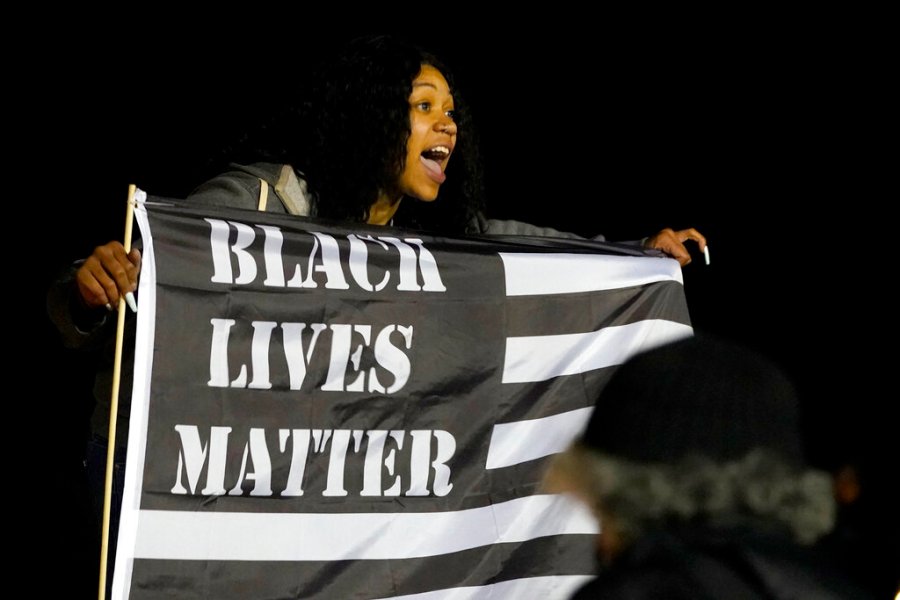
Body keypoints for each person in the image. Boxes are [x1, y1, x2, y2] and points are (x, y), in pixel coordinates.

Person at [47, 34, 707, 592]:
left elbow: (512, 249)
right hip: (177, 499)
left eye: (451, 112)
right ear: (370, 118)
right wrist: (88, 290)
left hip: (305, 514)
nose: (448, 126)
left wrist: (631, 258)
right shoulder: (261, 202)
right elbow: (145, 283)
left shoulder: (424, 244)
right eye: (424, 108)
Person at [542, 334, 877, 599]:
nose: (601, 542)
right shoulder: (842, 587)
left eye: (600, 511)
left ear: (632, 494)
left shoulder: (642, 591)